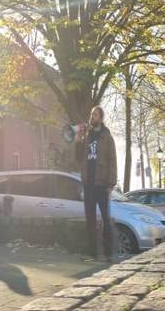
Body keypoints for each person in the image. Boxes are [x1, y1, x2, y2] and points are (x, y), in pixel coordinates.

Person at [75, 106, 118, 262]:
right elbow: (79, 158)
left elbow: (113, 160)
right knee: (90, 220)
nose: (92, 117)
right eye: (91, 114)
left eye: (95, 114)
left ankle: (109, 254)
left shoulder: (106, 136)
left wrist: (111, 183)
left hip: (102, 184)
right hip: (88, 184)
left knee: (106, 219)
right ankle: (93, 254)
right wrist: (78, 140)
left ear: (101, 118)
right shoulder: (86, 136)